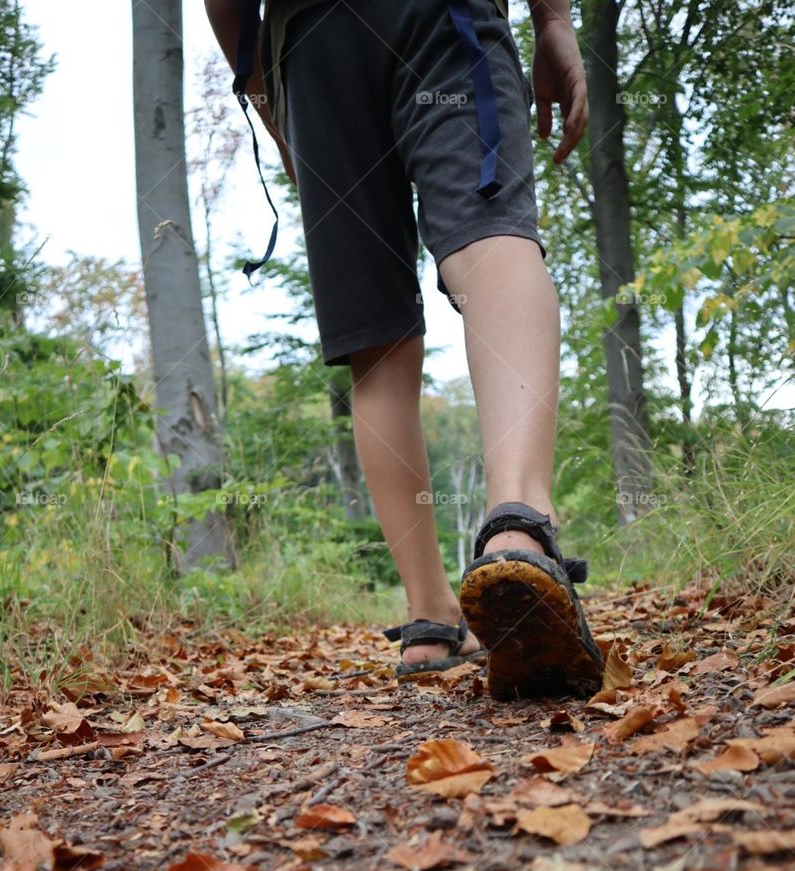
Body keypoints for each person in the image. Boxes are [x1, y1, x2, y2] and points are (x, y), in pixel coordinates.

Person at [205, 0, 604, 699]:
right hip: (439, 19)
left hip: (309, 43)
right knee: (489, 244)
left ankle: (429, 619)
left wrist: (273, 105)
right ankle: (517, 528)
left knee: (378, 341)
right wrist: (552, 24)